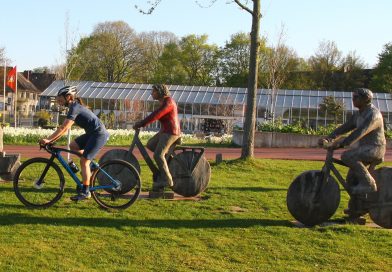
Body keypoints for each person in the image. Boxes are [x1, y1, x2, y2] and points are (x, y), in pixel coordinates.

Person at [39, 86, 109, 201]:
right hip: (92, 134)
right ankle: (90, 165)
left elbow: (64, 128)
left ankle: (86, 191)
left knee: (84, 161)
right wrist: (51, 139)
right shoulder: (73, 107)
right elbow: (64, 128)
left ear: (68, 97)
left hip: (98, 135)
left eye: (60, 98)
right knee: (73, 146)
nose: (58, 100)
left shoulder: (75, 108)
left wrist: (49, 140)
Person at [319, 88, 386, 195]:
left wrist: (341, 143)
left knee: (347, 156)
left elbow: (360, 132)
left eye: (356, 97)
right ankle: (356, 208)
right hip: (364, 148)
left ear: (365, 99)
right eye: (353, 97)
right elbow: (344, 128)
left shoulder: (373, 115)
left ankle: (370, 184)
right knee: (351, 179)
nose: (353, 99)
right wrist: (329, 138)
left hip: (375, 148)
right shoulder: (358, 114)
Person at [133, 84, 181, 191]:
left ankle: (167, 180)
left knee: (158, 155)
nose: (151, 93)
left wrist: (142, 123)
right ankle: (167, 162)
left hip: (171, 132)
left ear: (160, 92)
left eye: (153, 91)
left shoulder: (168, 102)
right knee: (150, 144)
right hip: (164, 131)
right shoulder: (163, 102)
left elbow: (156, 115)